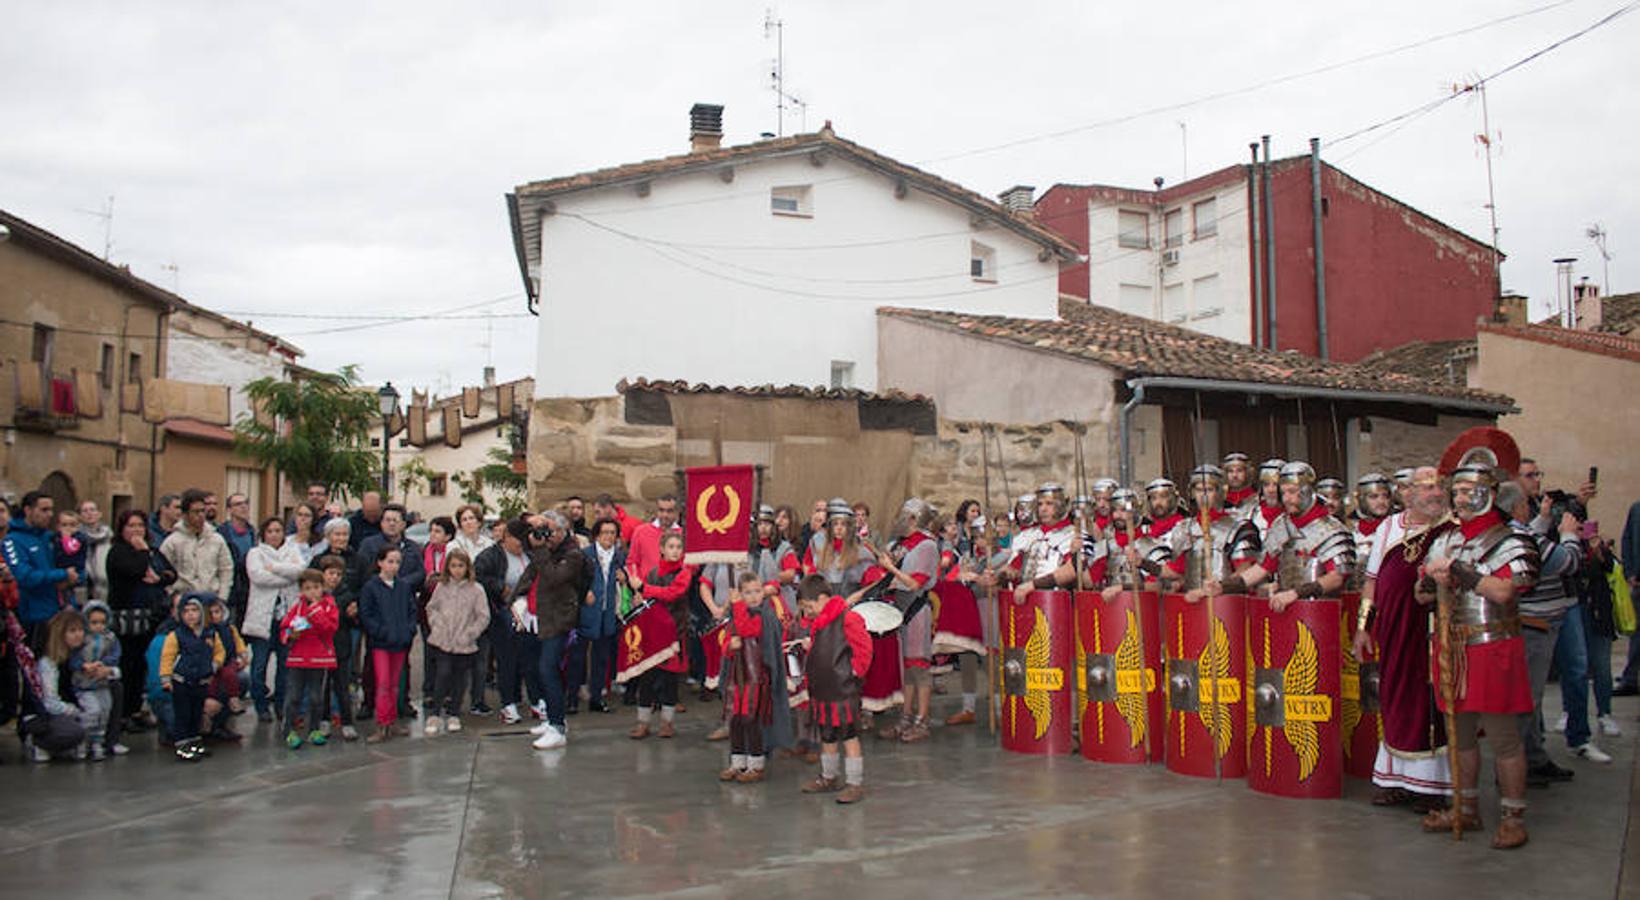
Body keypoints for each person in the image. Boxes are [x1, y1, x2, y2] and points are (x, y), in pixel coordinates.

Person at [1420, 462, 1537, 849]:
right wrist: (1428, 580)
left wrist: (1462, 573)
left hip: (1492, 644)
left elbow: (1505, 591)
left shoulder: (1510, 540)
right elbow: (1422, 596)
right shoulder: (1444, 539)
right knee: (1461, 735)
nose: (1462, 499)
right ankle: (1465, 808)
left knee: (1502, 736)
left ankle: (1513, 815)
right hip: (1453, 645)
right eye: (1458, 492)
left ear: (1489, 492)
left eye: (1470, 491)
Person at [1351, 466, 1452, 811]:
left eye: (1438, 486)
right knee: (1393, 698)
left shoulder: (1449, 529)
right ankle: (1393, 779)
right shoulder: (1389, 527)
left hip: (1431, 629)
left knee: (1427, 702)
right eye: (1426, 487)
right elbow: (1371, 581)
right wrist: (1364, 626)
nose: (1435, 493)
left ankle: (1432, 784)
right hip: (1392, 629)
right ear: (1407, 493)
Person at [1497, 480, 1594, 777]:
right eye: (1527, 503)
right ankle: (1524, 764)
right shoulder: (1520, 535)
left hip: (1531, 623)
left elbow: (1532, 543)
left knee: (1530, 699)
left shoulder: (1512, 532)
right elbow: (1567, 561)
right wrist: (1568, 535)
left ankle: (1534, 757)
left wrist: (1544, 520)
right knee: (1529, 698)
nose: (1532, 506)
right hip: (1534, 625)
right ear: (1516, 507)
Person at [1196, 462, 1354, 613]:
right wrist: (1223, 586)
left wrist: (1295, 594)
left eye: (1292, 492)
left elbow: (1336, 577)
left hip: (1322, 613)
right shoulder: (1281, 525)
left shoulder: (1331, 530)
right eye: (1283, 492)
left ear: (1307, 492)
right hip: (1286, 609)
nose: (1286, 499)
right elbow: (1262, 569)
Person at [867, 499, 940, 743]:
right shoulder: (899, 544)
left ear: (912, 519)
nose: (897, 518)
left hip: (916, 609)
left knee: (919, 667)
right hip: (899, 608)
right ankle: (905, 718)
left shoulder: (927, 546)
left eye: (902, 515)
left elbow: (915, 583)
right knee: (907, 668)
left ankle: (922, 720)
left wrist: (891, 568)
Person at [796, 574, 872, 804]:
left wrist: (853, 674)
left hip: (843, 689)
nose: (807, 613)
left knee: (849, 736)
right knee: (827, 736)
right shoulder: (818, 624)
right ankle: (829, 776)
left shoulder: (848, 619)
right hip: (823, 690)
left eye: (809, 607)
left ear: (822, 599)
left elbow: (864, 650)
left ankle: (854, 783)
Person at [105, 508, 176, 736]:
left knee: (141, 666)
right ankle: (123, 714)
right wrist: (143, 552)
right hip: (127, 617)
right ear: (122, 529)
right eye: (131, 526)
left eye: (140, 526)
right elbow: (135, 569)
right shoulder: (118, 552)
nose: (136, 531)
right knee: (128, 665)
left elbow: (171, 573)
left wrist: (159, 578)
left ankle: (136, 710)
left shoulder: (153, 551)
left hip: (149, 615)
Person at [524, 511, 590, 750]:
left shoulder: (573, 555)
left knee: (548, 669)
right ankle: (553, 719)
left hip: (560, 620)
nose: (546, 536)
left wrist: (540, 551)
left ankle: (558, 726)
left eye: (550, 531)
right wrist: (529, 520)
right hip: (544, 617)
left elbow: (553, 578)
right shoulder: (550, 551)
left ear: (562, 531)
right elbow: (530, 573)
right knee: (542, 669)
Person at [353, 504, 425, 720]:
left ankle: (402, 702)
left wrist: (400, 583)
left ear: (404, 524)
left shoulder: (412, 547)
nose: (391, 523)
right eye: (387, 519)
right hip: (378, 609)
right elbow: (362, 573)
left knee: (403, 663)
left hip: (403, 609)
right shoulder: (369, 545)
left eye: (396, 519)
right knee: (372, 662)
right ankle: (369, 702)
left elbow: (420, 573)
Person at [621, 531, 693, 740]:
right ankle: (643, 722)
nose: (675, 551)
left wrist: (644, 588)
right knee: (647, 678)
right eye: (670, 547)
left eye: (678, 547)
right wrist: (639, 597)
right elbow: (645, 600)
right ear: (661, 549)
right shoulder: (653, 572)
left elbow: (672, 593)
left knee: (670, 679)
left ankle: (667, 722)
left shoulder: (684, 573)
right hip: (653, 633)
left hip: (674, 632)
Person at [243, 517, 306, 723]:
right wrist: (286, 574)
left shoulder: (292, 549)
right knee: (259, 665)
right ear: (264, 533)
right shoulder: (256, 553)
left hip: (287, 617)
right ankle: (261, 704)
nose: (275, 534)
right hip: (263, 618)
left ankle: (281, 704)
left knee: (285, 665)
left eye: (278, 530)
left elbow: (300, 571)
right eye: (270, 531)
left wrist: (275, 568)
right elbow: (259, 576)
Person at [720, 571, 777, 783]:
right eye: (747, 593)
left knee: (751, 720)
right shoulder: (736, 617)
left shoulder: (762, 616)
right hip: (738, 679)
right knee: (735, 721)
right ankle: (738, 762)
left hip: (756, 678)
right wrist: (729, 647)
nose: (753, 596)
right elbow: (726, 644)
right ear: (739, 595)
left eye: (757, 591)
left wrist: (737, 606)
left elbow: (746, 630)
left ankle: (756, 764)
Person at [425, 548, 489, 735]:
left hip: (464, 642)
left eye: (461, 566)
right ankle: (435, 713)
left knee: (460, 677)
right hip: (443, 639)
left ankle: (454, 711)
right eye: (453, 566)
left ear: (467, 567)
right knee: (442, 673)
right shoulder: (442, 586)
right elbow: (432, 608)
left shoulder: (476, 589)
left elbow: (483, 616)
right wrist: (437, 625)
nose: (457, 570)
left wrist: (470, 633)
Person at [477, 518, 535, 724]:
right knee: (507, 660)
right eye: (518, 542)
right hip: (503, 613)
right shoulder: (491, 556)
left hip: (530, 613)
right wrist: (500, 588)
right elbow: (480, 576)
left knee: (530, 659)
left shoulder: (530, 554)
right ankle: (508, 704)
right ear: (507, 538)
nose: (522, 546)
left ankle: (535, 701)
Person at [359, 546, 417, 743]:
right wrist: (381, 632)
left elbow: (411, 611)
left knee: (394, 684)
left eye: (397, 562)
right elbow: (366, 615)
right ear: (380, 563)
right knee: (383, 683)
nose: (394, 566)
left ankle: (392, 720)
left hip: (400, 642)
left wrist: (409, 631)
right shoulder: (371, 587)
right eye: (390, 561)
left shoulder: (403, 586)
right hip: (381, 643)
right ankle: (382, 723)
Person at [5, 491, 77, 648]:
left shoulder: (50, 537)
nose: (50, 515)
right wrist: (61, 575)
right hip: (34, 617)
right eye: (44, 510)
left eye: (51, 510)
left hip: (60, 614)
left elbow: (77, 568)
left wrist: (71, 578)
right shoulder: (12, 540)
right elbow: (24, 576)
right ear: (28, 510)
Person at [1568, 534, 1622, 742]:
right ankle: (1569, 713)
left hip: (1599, 613)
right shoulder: (1565, 545)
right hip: (1576, 609)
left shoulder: (1598, 546)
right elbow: (1572, 573)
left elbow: (1611, 568)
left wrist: (1599, 551)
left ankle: (1605, 713)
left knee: (1602, 665)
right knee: (1574, 668)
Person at [157, 594, 223, 761]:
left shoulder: (210, 634)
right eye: (186, 611)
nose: (191, 614)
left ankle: (195, 742)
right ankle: (182, 746)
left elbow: (219, 652)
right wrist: (166, 678)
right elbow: (167, 657)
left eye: (194, 610)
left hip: (201, 681)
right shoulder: (176, 635)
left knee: (196, 714)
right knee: (183, 715)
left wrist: (213, 666)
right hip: (181, 681)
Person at [279, 569, 337, 748]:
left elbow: (329, 628)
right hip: (298, 658)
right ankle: (289, 730)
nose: (312, 592)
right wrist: (290, 635)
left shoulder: (329, 606)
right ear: (301, 590)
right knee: (294, 696)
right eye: (308, 588)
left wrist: (314, 610)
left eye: (316, 587)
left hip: (319, 658)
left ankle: (314, 729)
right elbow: (284, 628)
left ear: (322, 587)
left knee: (316, 697)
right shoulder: (296, 608)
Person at [573, 517, 626, 715]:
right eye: (605, 532)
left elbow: (626, 579)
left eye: (612, 533)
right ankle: (572, 698)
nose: (608, 537)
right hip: (588, 613)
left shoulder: (619, 556)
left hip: (608, 613)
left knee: (601, 658)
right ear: (596, 535)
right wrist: (584, 591)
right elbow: (574, 580)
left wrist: (624, 578)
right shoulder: (585, 555)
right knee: (578, 658)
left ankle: (597, 697)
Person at [33, 609, 98, 762]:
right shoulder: (48, 663)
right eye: (72, 631)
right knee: (75, 731)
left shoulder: (75, 657)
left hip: (70, 705)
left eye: (81, 630)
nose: (78, 635)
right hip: (49, 713)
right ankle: (41, 742)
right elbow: (50, 702)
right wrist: (75, 711)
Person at [450, 504, 495, 714]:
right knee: (459, 659)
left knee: (481, 658)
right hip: (460, 607)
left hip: (484, 606)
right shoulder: (454, 546)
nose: (469, 522)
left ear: (479, 521)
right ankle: (455, 700)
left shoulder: (490, 545)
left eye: (472, 518)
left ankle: (478, 699)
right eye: (464, 519)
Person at [161, 489, 234, 605]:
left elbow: (226, 570)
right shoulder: (172, 542)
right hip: (184, 601)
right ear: (185, 514)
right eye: (196, 512)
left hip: (211, 599)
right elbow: (163, 573)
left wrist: (222, 597)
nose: (200, 515)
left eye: (202, 511)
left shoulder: (217, 539)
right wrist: (173, 598)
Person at [314, 554, 359, 740]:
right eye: (331, 573)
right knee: (322, 687)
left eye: (338, 574)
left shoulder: (346, 595)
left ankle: (347, 722)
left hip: (340, 647)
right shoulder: (315, 595)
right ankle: (323, 720)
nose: (334, 578)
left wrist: (352, 615)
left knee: (342, 686)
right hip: (320, 648)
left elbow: (353, 622)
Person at [72, 601, 124, 757]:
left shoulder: (110, 638)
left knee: (104, 712)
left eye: (102, 622)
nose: (98, 626)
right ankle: (82, 740)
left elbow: (116, 655)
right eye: (94, 622)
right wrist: (83, 666)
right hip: (84, 684)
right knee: (92, 711)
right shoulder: (82, 638)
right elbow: (73, 658)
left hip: (103, 683)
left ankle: (98, 742)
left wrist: (105, 665)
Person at [624, 495, 682, 598]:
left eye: (669, 511)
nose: (665, 515)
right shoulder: (640, 532)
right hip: (645, 595)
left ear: (677, 512)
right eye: (661, 510)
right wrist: (638, 590)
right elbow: (632, 562)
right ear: (656, 511)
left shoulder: (685, 534)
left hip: (675, 596)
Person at [217, 493, 256, 621]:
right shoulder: (221, 534)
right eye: (238, 504)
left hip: (249, 591)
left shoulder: (253, 533)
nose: (243, 507)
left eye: (245, 503)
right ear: (229, 509)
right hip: (230, 591)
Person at [1618, 499, 1640, 697]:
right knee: (1636, 632)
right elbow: (1627, 539)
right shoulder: (1636, 508)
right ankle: (1631, 678)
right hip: (1638, 583)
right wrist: (1630, 572)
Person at [77, 501, 113, 603]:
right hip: (85, 583)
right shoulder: (77, 537)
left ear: (99, 514)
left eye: (92, 510)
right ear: (80, 516)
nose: (89, 513)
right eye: (85, 511)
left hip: (104, 584)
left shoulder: (108, 536)